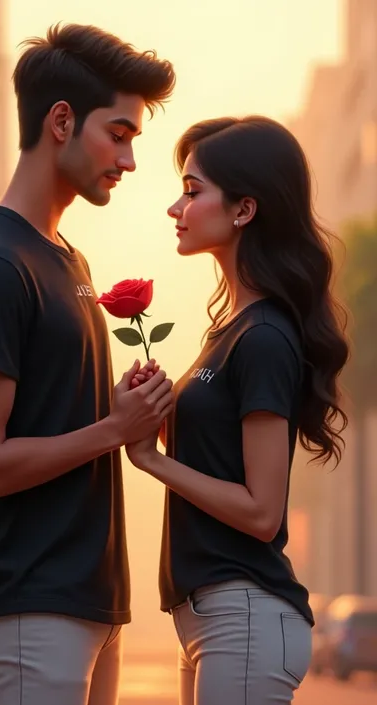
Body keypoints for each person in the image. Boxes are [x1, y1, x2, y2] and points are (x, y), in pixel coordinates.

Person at [0, 23, 175, 705]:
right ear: (62, 121)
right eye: (121, 133)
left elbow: (57, 417)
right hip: (32, 604)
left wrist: (123, 409)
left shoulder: (66, 259)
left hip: (91, 601)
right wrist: (111, 428)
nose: (129, 161)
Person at [126, 116, 349, 704]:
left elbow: (260, 510)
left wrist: (151, 459)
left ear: (244, 210)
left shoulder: (266, 337)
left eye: (193, 191)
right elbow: (220, 460)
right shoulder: (229, 331)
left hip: (244, 613)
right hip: (211, 614)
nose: (177, 207)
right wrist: (157, 406)